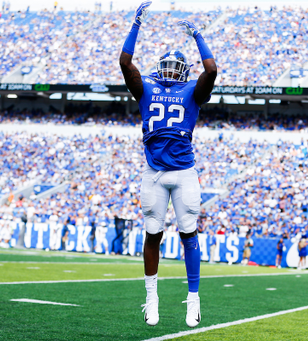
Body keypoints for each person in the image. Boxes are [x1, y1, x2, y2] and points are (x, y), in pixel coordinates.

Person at [119, 1, 217, 328]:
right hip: (155, 172)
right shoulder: (148, 88)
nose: (173, 70)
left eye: (178, 66)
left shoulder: (190, 91)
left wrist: (198, 35)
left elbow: (212, 71)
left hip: (183, 172)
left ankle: (194, 300)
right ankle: (151, 298)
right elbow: (125, 63)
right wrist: (136, 23)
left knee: (189, 233)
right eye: (169, 66)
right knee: (153, 234)